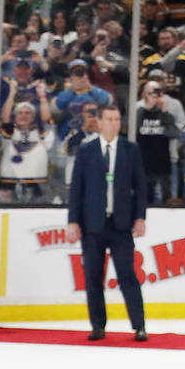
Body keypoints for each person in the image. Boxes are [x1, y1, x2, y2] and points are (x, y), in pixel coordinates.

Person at [66, 103, 149, 342]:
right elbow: (77, 189)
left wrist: (140, 217)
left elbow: (140, 186)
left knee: (127, 275)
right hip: (93, 224)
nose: (114, 123)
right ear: (99, 122)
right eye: (109, 119)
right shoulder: (87, 150)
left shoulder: (130, 149)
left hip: (121, 224)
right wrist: (73, 221)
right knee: (93, 276)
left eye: (117, 119)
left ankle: (139, 324)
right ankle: (98, 325)